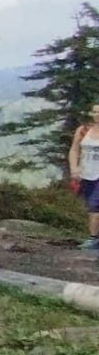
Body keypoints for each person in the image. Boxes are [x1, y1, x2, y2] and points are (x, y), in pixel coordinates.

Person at [71, 102, 99, 253]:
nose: (96, 115)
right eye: (94, 111)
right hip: (86, 174)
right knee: (90, 206)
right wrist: (74, 168)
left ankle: (93, 239)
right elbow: (74, 150)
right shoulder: (83, 130)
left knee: (95, 206)